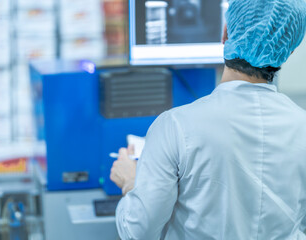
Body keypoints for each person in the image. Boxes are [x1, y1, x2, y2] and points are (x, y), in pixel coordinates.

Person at [110, 0, 306, 239]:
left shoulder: (175, 126)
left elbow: (138, 231)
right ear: (289, 50)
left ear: (225, 34)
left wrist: (132, 183)